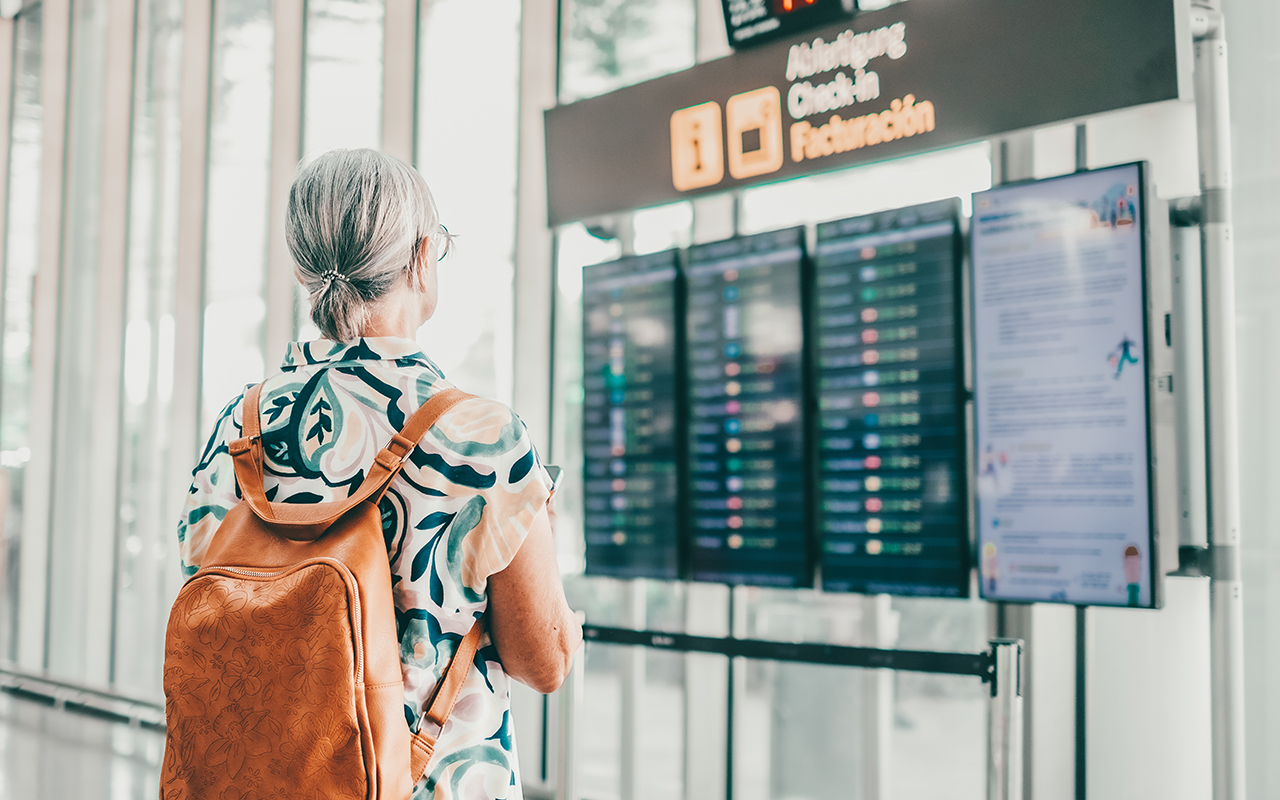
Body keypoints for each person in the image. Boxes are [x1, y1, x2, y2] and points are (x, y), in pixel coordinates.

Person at [177, 148, 582, 799]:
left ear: (306, 265)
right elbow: (545, 660)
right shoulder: (481, 436)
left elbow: (208, 587)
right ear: (422, 258)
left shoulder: (239, 425)